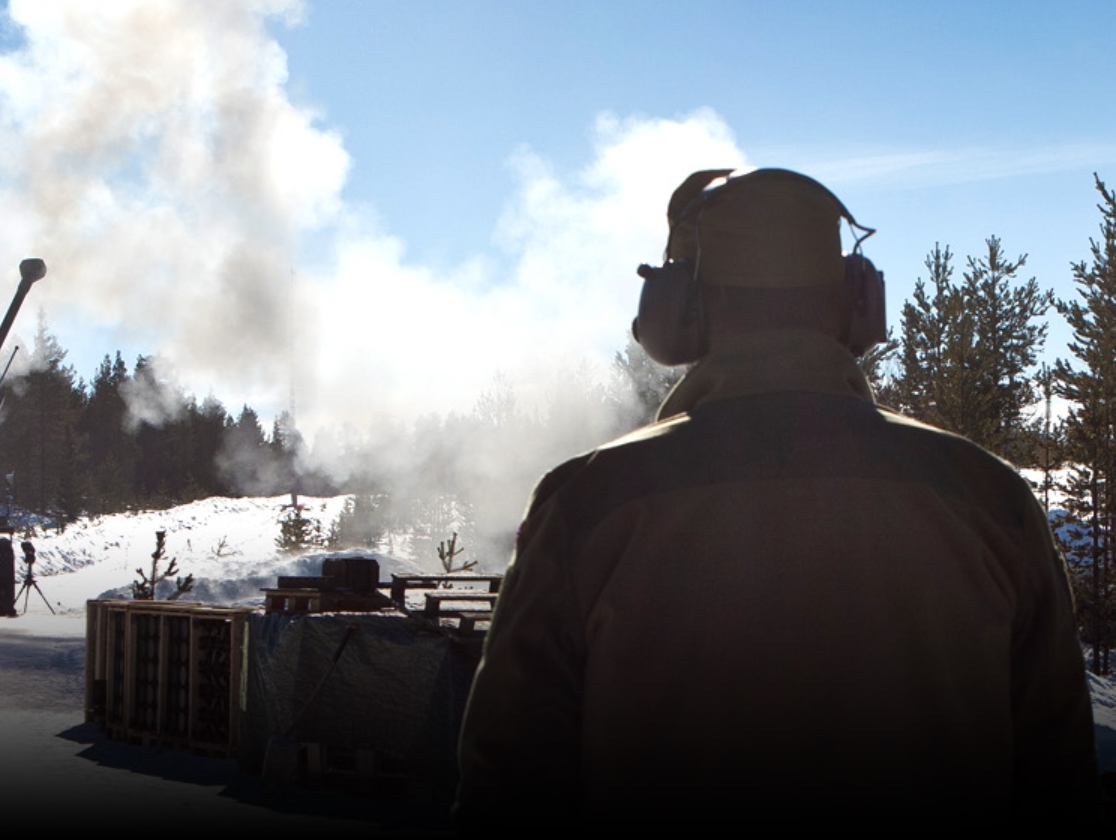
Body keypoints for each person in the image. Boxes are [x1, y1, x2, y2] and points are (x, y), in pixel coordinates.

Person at [454, 168, 1099, 829]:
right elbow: (1062, 786)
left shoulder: (586, 506)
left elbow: (505, 796)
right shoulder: (989, 498)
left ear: (678, 308)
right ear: (856, 301)